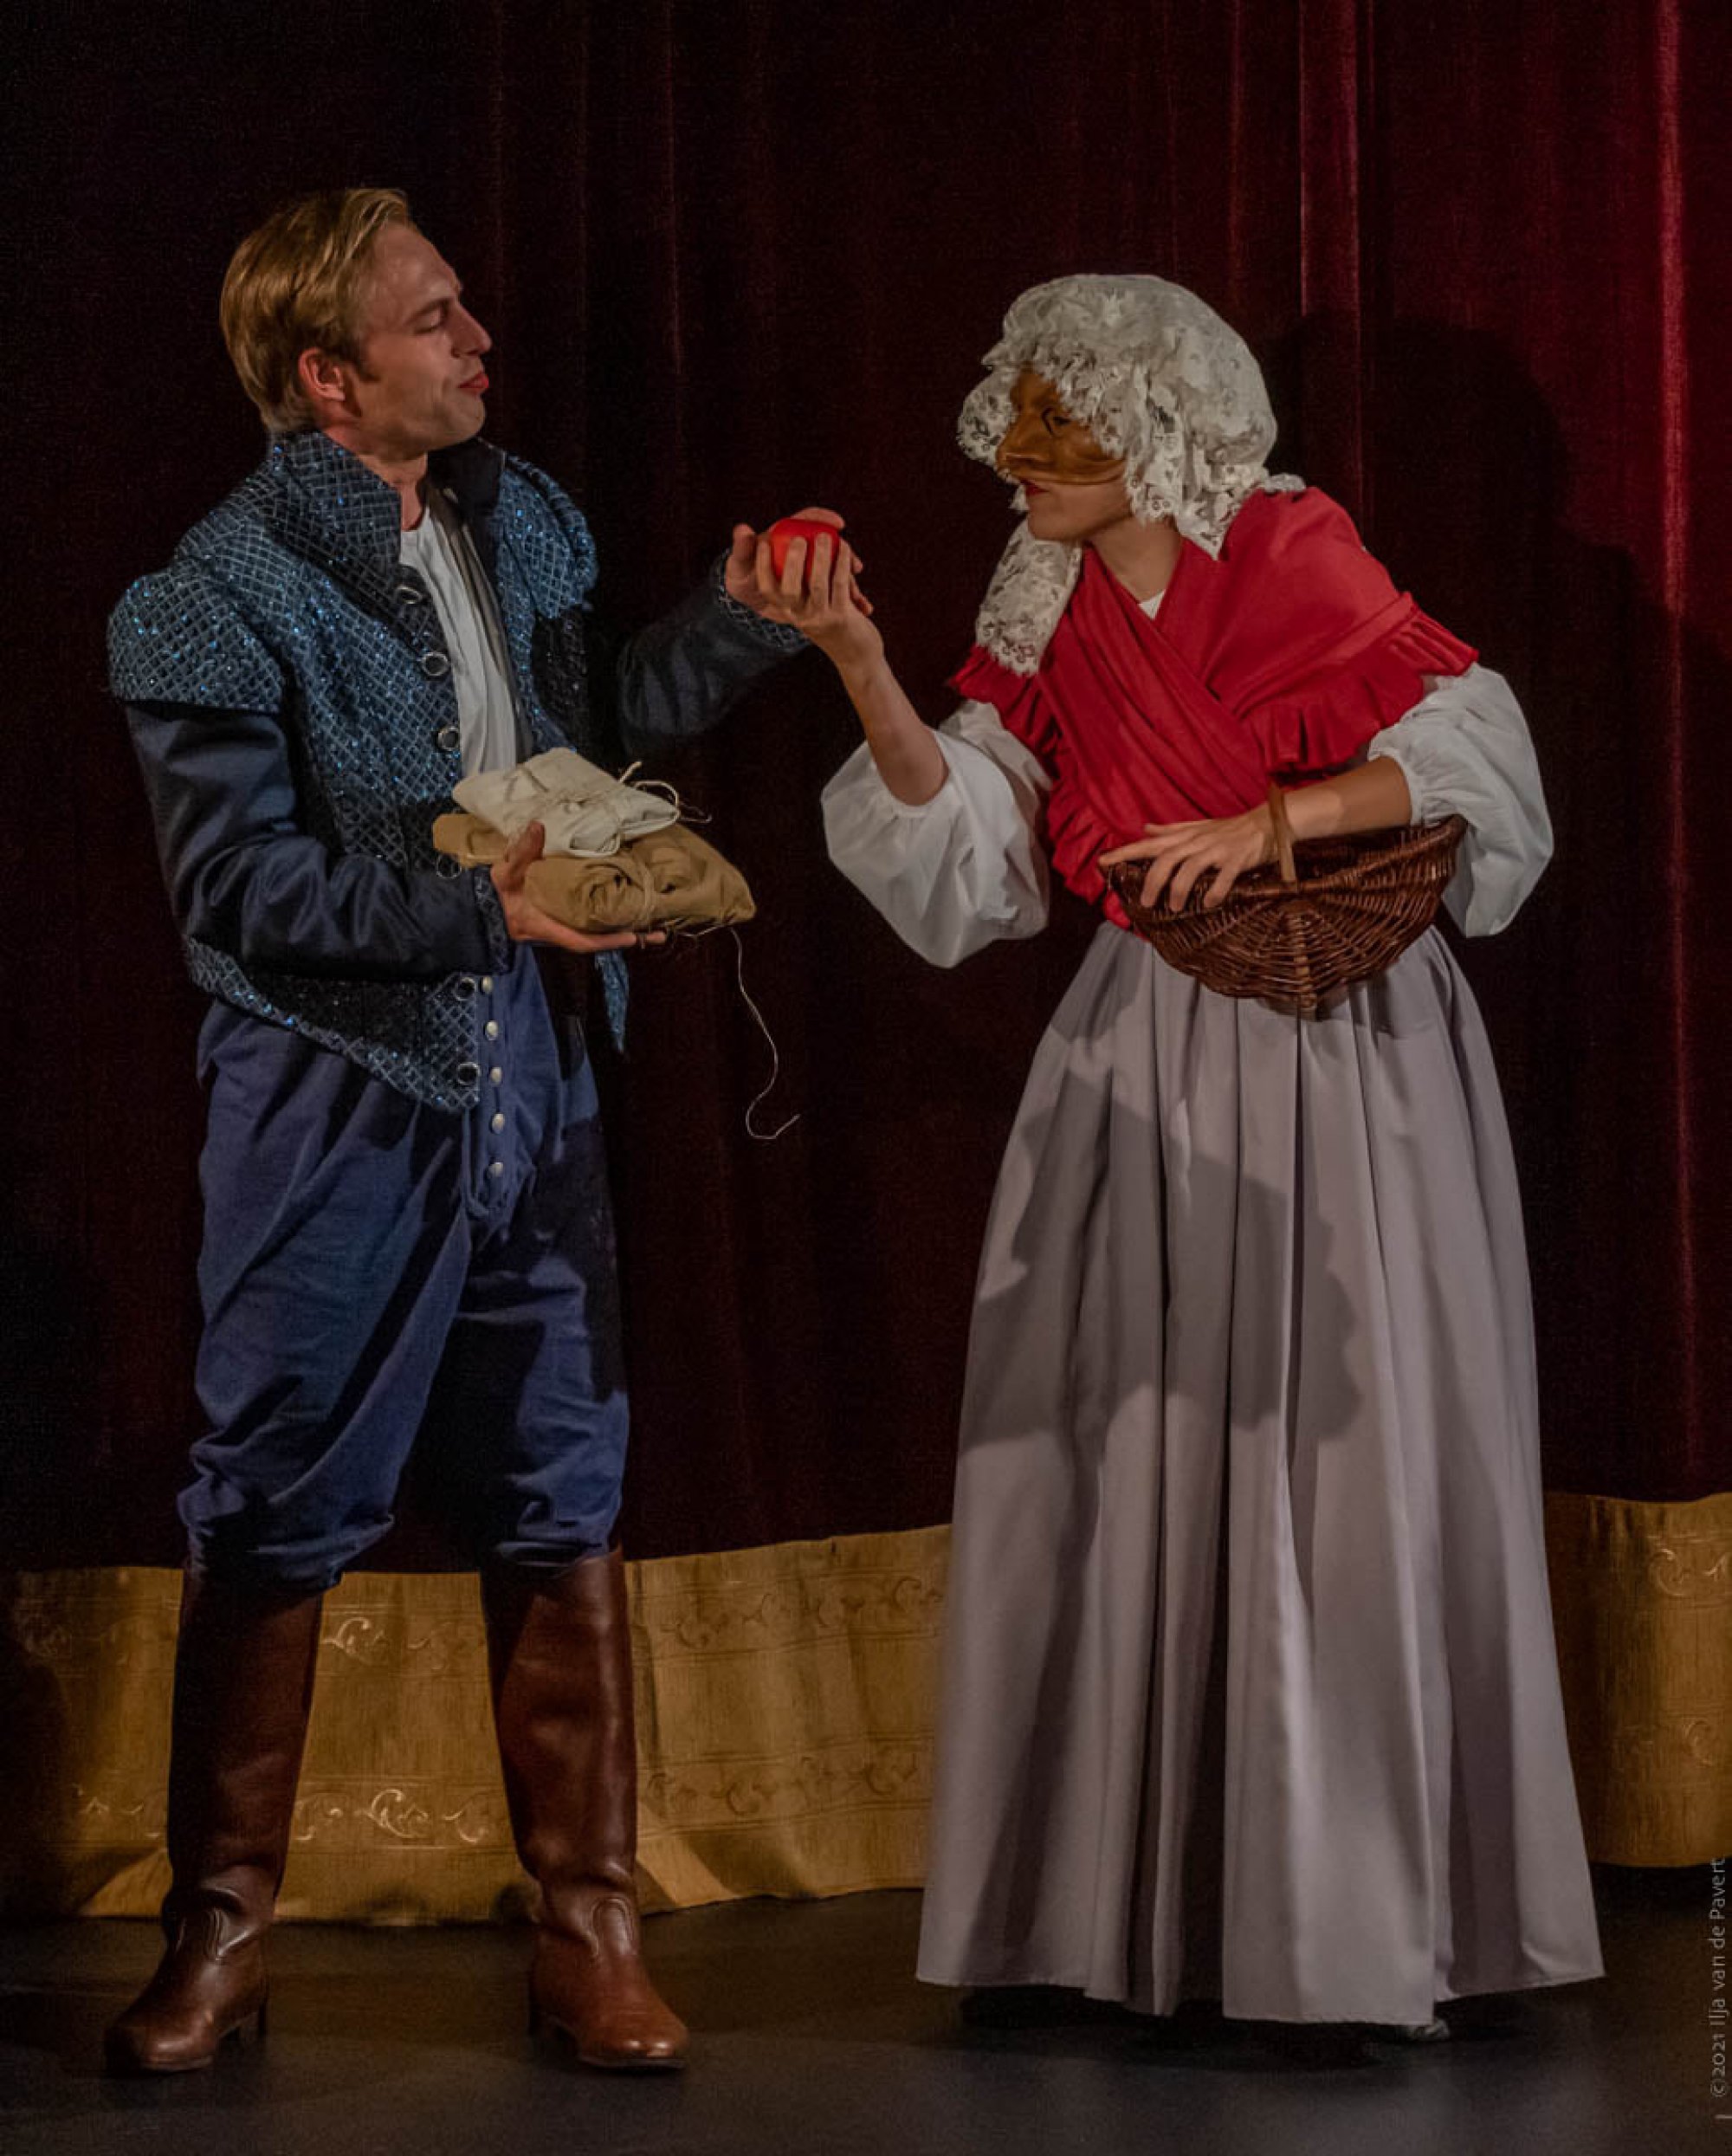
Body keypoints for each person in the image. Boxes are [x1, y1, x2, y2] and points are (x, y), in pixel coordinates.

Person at [794, 275, 1602, 2032]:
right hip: (1144, 1036)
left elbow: (1472, 751)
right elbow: (974, 849)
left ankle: (1345, 1926)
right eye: (1015, 414)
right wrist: (859, 663)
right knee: (1114, 1435)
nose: (1015, 452)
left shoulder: (1287, 544)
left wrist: (1272, 820)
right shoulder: (1042, 589)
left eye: (1058, 422)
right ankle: (1103, 1913)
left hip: (1338, 1040)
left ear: (1155, 428)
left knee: (1341, 1450)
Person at [106, 186, 831, 2075]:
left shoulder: (521, 516)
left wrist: (740, 625)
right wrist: (473, 909)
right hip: (334, 1087)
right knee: (275, 1488)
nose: (478, 338)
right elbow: (238, 888)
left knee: (558, 1481)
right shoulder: (213, 593)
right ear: (327, 379)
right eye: (433, 319)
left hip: (537, 1064)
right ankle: (219, 1932)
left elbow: (596, 725)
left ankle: (590, 1928)